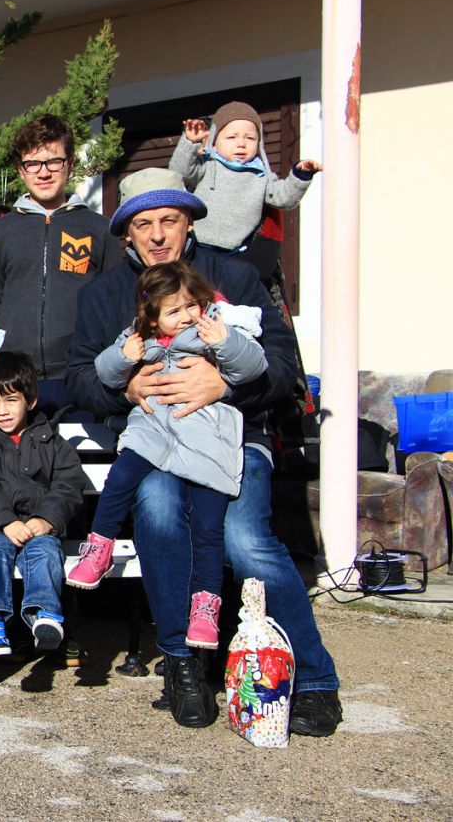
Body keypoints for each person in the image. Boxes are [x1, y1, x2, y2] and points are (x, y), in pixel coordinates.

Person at [65, 167, 342, 736]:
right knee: (162, 514)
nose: (159, 234)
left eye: (170, 220)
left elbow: (286, 370)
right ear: (127, 234)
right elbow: (79, 380)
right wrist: (126, 389)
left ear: (189, 221)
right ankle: (184, 665)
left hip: (234, 441)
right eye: (145, 224)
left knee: (245, 541)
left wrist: (227, 386)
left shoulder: (236, 278)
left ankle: (314, 679)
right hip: (158, 445)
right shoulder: (103, 295)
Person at [65, 262, 269, 651]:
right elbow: (105, 374)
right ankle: (100, 546)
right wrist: (124, 356)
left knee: (209, 530)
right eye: (175, 311)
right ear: (153, 315)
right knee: (120, 480)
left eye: (193, 305)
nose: (189, 316)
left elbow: (253, 367)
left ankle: (205, 609)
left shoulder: (216, 332)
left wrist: (225, 342)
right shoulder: (141, 337)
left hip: (207, 444)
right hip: (153, 435)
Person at [0, 114, 118, 416]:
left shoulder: (97, 228)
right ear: (21, 171)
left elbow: (112, 297)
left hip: (80, 371)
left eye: (53, 161)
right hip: (18, 377)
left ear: (69, 165)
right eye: (33, 164)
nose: (43, 172)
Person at [0, 351, 85, 659]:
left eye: (10, 400)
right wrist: (5, 521)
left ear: (30, 400)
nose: (1, 411)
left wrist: (47, 518)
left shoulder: (51, 441)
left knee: (45, 551)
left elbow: (69, 484)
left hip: (40, 525)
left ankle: (45, 615)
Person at [169, 100, 321, 256]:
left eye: (250, 138)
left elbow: (283, 199)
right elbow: (180, 173)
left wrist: (301, 176)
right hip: (197, 246)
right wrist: (190, 143)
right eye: (231, 137)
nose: (241, 143)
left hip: (238, 252)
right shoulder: (207, 164)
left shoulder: (261, 174)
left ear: (259, 143)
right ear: (214, 142)